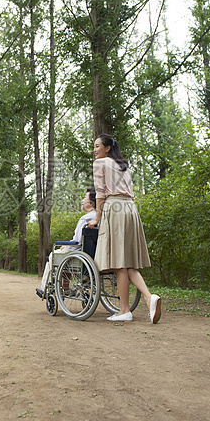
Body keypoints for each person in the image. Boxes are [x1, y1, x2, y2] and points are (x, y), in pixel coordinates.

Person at [88, 134, 161, 323]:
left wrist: (97, 218)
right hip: (130, 209)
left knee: (119, 263)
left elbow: (101, 193)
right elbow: (131, 193)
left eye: (97, 146)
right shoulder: (124, 165)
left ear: (107, 148)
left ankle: (125, 310)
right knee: (128, 263)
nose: (94, 150)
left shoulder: (100, 164)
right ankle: (149, 297)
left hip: (115, 208)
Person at [36, 187, 97, 297]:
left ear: (92, 202)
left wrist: (67, 246)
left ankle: (45, 288)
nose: (82, 200)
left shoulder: (85, 219)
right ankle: (65, 288)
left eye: (84, 198)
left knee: (53, 257)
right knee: (64, 260)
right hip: (94, 255)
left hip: (79, 252)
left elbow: (78, 241)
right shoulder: (99, 217)